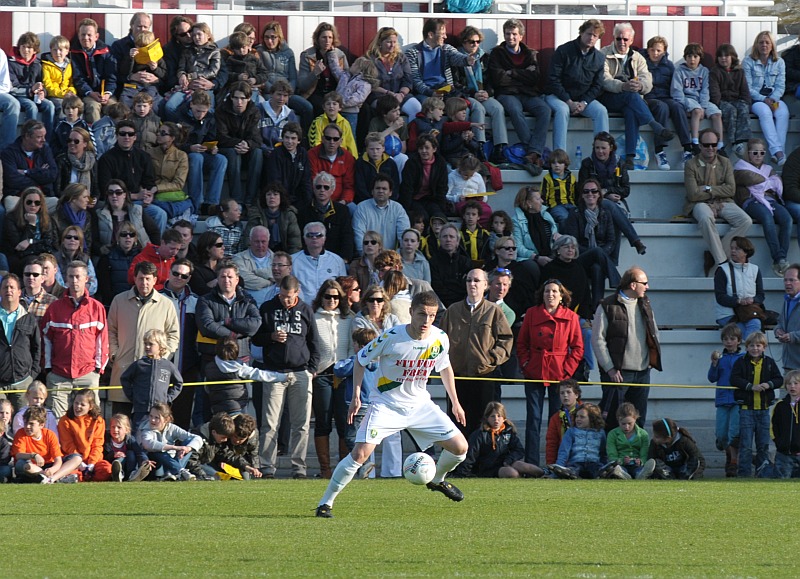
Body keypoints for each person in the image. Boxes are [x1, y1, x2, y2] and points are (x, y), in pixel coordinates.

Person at [316, 291, 469, 518]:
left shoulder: (439, 338)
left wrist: (455, 402)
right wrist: (357, 395)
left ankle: (437, 480)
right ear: (410, 313)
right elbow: (360, 360)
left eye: (432, 316)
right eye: (421, 314)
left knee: (460, 449)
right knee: (360, 454)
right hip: (386, 405)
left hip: (419, 406)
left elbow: (445, 367)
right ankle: (325, 503)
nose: (426, 321)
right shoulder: (391, 337)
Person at [253, 275, 319, 479]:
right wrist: (271, 337)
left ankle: (298, 467)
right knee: (270, 423)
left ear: (297, 293)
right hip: (274, 371)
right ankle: (267, 467)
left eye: (289, 297)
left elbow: (314, 341)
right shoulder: (267, 307)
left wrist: (312, 368)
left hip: (300, 371)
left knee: (301, 423)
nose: (285, 300)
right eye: (282, 296)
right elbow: (255, 338)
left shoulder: (306, 310)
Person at [517, 280, 584, 465]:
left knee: (558, 420)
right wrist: (526, 364)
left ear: (562, 295)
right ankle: (531, 463)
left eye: (555, 291)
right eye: (547, 291)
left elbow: (577, 348)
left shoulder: (571, 317)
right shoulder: (532, 313)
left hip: (559, 375)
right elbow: (522, 344)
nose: (551, 295)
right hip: (535, 371)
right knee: (533, 419)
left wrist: (566, 370)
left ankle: (556, 463)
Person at [441, 269, 512, 437]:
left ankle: (483, 463)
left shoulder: (494, 311)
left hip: (485, 376)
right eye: (469, 280)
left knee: (484, 426)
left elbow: (506, 340)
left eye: (477, 281)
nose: (472, 284)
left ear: (486, 285)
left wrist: (492, 359)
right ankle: (459, 461)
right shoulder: (453, 310)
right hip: (456, 378)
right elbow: (441, 339)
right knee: (457, 424)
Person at [592, 267, 662, 431]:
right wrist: (610, 369)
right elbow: (597, 339)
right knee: (613, 421)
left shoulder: (645, 303)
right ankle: (611, 456)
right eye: (644, 283)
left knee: (639, 421)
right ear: (632, 285)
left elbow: (654, 333)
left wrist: (651, 360)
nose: (647, 287)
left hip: (643, 372)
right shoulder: (607, 305)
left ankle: (637, 456)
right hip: (618, 374)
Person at [108, 261, 180, 416]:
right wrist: (114, 353)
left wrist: (162, 358)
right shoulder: (119, 301)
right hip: (123, 368)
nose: (144, 283)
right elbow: (110, 330)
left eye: (148, 279)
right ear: (134, 279)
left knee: (150, 428)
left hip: (152, 377)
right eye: (141, 278)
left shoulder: (167, 305)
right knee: (120, 423)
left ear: (155, 280)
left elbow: (173, 336)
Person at [599, 23, 674, 168]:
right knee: (631, 96)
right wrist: (622, 86)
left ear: (631, 40)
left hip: (630, 98)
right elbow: (604, 80)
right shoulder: (604, 54)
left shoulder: (637, 57)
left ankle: (630, 158)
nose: (622, 42)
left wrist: (640, 86)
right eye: (618, 39)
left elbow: (647, 79)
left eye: (625, 39)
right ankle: (656, 126)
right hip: (608, 97)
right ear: (613, 38)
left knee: (631, 110)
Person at [41, 260, 108, 418]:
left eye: (78, 276)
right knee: (57, 420)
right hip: (59, 373)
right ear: (65, 279)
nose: (74, 281)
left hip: (87, 373)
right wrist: (49, 368)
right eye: (71, 276)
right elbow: (46, 340)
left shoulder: (97, 308)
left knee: (90, 419)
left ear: (86, 279)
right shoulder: (54, 308)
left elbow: (102, 340)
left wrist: (98, 368)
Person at [684, 128, 752, 276]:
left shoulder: (725, 162)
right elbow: (693, 194)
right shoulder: (691, 164)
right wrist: (716, 193)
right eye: (706, 145)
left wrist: (708, 189)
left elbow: (731, 190)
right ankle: (722, 262)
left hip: (723, 202)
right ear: (700, 145)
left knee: (745, 220)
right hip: (698, 204)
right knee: (706, 217)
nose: (710, 148)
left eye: (714, 145)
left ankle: (713, 254)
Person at [487, 19, 550, 170]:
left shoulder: (530, 53)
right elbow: (498, 79)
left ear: (521, 36)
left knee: (545, 110)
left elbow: (535, 77)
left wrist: (511, 72)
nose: (510, 37)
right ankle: (534, 152)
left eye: (514, 34)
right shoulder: (497, 53)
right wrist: (523, 74)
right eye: (507, 34)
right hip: (506, 94)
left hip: (527, 93)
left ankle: (532, 152)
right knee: (515, 110)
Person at [577, 132, 647, 260]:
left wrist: (607, 191)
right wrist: (604, 195)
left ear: (611, 148)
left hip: (616, 205)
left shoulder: (620, 163)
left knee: (611, 213)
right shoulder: (587, 163)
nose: (600, 151)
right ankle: (635, 242)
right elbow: (582, 189)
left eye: (603, 148)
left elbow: (625, 190)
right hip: (591, 203)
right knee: (606, 204)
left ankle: (613, 260)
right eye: (597, 148)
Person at [311, 279, 354, 478]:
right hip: (322, 374)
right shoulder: (313, 317)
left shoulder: (349, 318)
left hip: (344, 374)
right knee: (323, 421)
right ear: (321, 297)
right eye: (328, 296)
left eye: (336, 297)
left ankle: (342, 468)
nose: (331, 300)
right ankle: (325, 469)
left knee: (345, 422)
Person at [545, 19, 609, 152]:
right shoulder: (564, 51)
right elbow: (553, 80)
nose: (591, 38)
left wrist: (584, 103)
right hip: (558, 97)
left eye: (595, 36)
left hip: (583, 101)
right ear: (581, 32)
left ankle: (602, 154)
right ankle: (559, 156)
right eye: (588, 33)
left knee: (601, 111)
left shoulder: (599, 58)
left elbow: (597, 85)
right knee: (563, 110)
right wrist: (568, 101)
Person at [733, 138, 792, 276]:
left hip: (770, 201)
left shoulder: (768, 168)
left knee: (787, 219)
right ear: (748, 153)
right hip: (750, 201)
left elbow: (778, 183)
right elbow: (749, 178)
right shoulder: (740, 167)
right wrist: (768, 181)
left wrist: (767, 182)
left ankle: (781, 257)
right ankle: (779, 259)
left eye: (762, 152)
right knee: (767, 218)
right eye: (755, 152)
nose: (758, 156)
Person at [97, 120, 166, 235]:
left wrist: (149, 196)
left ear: (135, 137)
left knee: (160, 214)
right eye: (122, 134)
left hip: (139, 202)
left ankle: (155, 250)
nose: (126, 137)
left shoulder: (143, 156)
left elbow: (149, 182)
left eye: (130, 134)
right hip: (116, 203)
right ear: (116, 136)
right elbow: (105, 188)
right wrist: (134, 196)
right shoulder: (107, 158)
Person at [453, 26, 509, 165]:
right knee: (479, 108)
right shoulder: (456, 58)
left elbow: (492, 80)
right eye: (471, 42)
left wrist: (487, 92)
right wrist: (473, 93)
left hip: (483, 93)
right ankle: (479, 146)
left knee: (497, 108)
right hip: (467, 94)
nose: (475, 45)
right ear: (464, 42)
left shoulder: (484, 58)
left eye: (477, 42)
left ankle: (499, 147)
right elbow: (455, 83)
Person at [731, 331, 782, 478]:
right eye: (752, 345)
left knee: (763, 445)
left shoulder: (770, 363)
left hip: (764, 410)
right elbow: (734, 379)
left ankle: (762, 473)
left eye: (758, 345)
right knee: (746, 445)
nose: (755, 348)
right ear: (746, 347)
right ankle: (744, 475)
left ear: (764, 347)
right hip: (746, 410)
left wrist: (769, 384)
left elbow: (779, 379)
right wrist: (749, 386)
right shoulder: (740, 362)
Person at [642, 35, 694, 170]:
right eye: (652, 50)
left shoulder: (669, 65)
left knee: (677, 106)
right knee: (662, 107)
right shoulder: (642, 63)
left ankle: (688, 148)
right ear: (648, 50)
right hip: (649, 98)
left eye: (658, 51)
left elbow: (675, 84)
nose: (655, 53)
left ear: (664, 51)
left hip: (666, 96)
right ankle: (659, 151)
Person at [454, 401, 543, 479]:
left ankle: (546, 473)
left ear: (504, 418)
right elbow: (471, 455)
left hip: (506, 462)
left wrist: (509, 459)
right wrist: (464, 472)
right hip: (489, 468)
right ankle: (520, 479)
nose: (496, 420)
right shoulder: (480, 434)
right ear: (487, 418)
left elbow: (519, 450)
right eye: (492, 416)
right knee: (512, 473)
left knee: (528, 467)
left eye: (499, 416)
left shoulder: (508, 432)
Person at [204, 337, 287, 417]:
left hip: (217, 408)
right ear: (236, 351)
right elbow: (260, 374)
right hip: (238, 407)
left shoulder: (209, 367)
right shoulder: (239, 368)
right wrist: (282, 377)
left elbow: (206, 387)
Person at [120, 329, 183, 433]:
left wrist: (167, 398)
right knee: (138, 436)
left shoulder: (168, 366)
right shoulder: (139, 364)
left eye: (151, 344)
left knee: (159, 435)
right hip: (141, 410)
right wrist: (133, 396)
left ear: (161, 346)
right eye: (145, 344)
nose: (147, 347)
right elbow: (125, 379)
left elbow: (178, 383)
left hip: (160, 411)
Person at [743, 31, 789, 166]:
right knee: (765, 112)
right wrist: (764, 99)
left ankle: (778, 153)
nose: (764, 45)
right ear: (756, 44)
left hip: (773, 99)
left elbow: (781, 85)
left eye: (767, 42)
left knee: (783, 112)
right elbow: (748, 88)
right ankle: (779, 152)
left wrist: (773, 98)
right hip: (756, 100)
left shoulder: (779, 62)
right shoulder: (748, 61)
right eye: (761, 42)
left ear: (772, 45)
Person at [256, 21, 313, 130]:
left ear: (279, 37)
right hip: (269, 93)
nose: (269, 41)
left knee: (307, 107)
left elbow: (293, 77)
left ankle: (303, 140)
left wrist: (286, 94)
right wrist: (274, 92)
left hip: (287, 93)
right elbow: (261, 75)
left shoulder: (288, 52)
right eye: (266, 37)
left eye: (273, 37)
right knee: (270, 107)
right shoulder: (260, 52)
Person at [177, 90, 225, 214]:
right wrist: (190, 147)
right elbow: (175, 142)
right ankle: (196, 202)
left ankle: (211, 203)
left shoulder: (210, 118)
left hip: (202, 151)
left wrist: (212, 148)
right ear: (191, 104)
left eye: (204, 111)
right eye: (198, 111)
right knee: (196, 158)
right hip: (185, 153)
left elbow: (211, 137)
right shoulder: (180, 115)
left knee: (221, 159)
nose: (201, 115)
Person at [216, 81, 263, 205]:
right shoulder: (221, 110)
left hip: (246, 149)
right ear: (231, 97)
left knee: (258, 153)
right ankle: (237, 200)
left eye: (243, 98)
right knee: (233, 153)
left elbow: (257, 140)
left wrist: (247, 144)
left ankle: (250, 200)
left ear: (248, 98)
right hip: (227, 148)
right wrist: (240, 143)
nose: (239, 102)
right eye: (236, 98)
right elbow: (221, 137)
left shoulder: (254, 112)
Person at [671, 43, 724, 153]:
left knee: (717, 114)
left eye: (695, 56)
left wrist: (704, 106)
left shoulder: (704, 71)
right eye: (689, 56)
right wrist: (686, 104)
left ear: (700, 58)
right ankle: (694, 142)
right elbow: (677, 92)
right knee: (697, 111)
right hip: (688, 98)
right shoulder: (679, 71)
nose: (692, 60)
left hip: (702, 100)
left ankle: (719, 145)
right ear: (685, 57)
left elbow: (705, 89)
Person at [708, 323, 744, 477]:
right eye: (726, 339)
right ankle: (729, 454)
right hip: (723, 399)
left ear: (739, 341)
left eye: (732, 339)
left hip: (737, 400)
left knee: (734, 433)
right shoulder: (720, 358)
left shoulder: (743, 358)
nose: (729, 342)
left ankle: (733, 462)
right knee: (721, 434)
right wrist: (714, 364)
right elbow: (711, 378)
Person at [11, 406, 82, 483]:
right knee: (21, 464)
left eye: (31, 424)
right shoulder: (20, 433)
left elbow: (58, 460)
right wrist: (33, 455)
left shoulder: (49, 434)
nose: (27, 426)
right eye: (25, 423)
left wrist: (52, 469)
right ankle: (56, 478)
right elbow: (18, 455)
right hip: (32, 467)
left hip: (49, 466)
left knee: (77, 458)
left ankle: (51, 479)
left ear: (41, 425)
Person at [0, 274, 40, 410]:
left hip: (22, 381)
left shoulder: (29, 319)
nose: (8, 290)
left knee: (22, 423)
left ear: (19, 292)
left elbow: (37, 348)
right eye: (5, 287)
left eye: (12, 287)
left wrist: (32, 375)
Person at [714, 237, 765, 340]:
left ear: (746, 252)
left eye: (737, 249)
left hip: (748, 313)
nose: (733, 251)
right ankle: (750, 354)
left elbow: (761, 296)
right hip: (727, 314)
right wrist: (738, 301)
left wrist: (752, 300)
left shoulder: (755, 269)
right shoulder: (722, 270)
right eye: (731, 248)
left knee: (755, 323)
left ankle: (748, 353)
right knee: (740, 332)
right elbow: (720, 297)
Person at [296, 171, 354, 261]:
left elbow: (347, 237)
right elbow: (300, 238)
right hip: (309, 258)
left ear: (332, 190)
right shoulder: (303, 211)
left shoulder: (342, 211)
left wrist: (344, 259)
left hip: (336, 258)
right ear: (313, 189)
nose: (322, 190)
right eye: (318, 187)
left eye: (326, 187)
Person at [138, 402, 203, 481]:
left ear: (166, 419)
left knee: (189, 441)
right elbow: (148, 444)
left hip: (173, 459)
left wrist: (187, 448)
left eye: (157, 417)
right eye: (151, 416)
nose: (152, 420)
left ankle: (172, 473)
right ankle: (180, 471)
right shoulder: (146, 428)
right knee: (158, 450)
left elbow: (197, 438)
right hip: (156, 463)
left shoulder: (172, 428)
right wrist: (175, 448)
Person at [57, 389, 112, 482]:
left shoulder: (98, 421)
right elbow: (68, 445)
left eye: (82, 404)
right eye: (76, 403)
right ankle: (79, 476)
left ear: (91, 407)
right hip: (74, 460)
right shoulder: (65, 421)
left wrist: (92, 463)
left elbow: (97, 445)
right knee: (72, 473)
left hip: (93, 461)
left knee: (107, 469)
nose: (78, 406)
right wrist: (80, 462)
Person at [709, 44, 753, 159]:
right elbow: (714, 92)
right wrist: (718, 102)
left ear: (732, 57)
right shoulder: (715, 72)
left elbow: (745, 91)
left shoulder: (739, 72)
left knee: (743, 108)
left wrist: (746, 102)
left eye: (727, 55)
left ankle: (741, 141)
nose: (723, 58)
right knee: (731, 110)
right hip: (722, 101)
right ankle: (733, 142)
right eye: (720, 56)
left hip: (737, 100)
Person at [365, 27, 419, 118]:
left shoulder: (401, 58)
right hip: (380, 96)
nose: (392, 45)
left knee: (416, 108)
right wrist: (390, 93)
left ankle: (407, 131)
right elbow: (370, 83)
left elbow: (408, 79)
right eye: (389, 42)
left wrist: (402, 94)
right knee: (390, 111)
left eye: (394, 42)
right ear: (380, 42)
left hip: (400, 95)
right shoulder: (370, 59)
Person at [94, 179, 157, 257]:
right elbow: (94, 240)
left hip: (139, 255)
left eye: (118, 193)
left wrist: (154, 253)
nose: (114, 195)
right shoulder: (99, 214)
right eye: (110, 193)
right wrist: (101, 249)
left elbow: (154, 232)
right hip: (112, 257)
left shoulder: (137, 210)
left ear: (125, 195)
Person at [70, 18, 117, 123]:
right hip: (87, 94)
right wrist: (90, 93)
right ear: (78, 35)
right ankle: (95, 137)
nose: (86, 38)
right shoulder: (73, 53)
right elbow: (78, 78)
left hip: (106, 93)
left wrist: (107, 93)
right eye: (83, 35)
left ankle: (117, 137)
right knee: (93, 106)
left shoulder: (106, 51)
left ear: (96, 36)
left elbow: (111, 76)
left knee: (115, 108)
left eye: (89, 35)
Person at [297, 22, 349, 117]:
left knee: (363, 109)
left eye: (330, 37)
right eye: (324, 37)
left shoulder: (340, 55)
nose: (327, 41)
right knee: (320, 107)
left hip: (336, 93)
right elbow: (302, 85)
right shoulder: (307, 55)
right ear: (317, 39)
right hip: (315, 92)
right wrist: (315, 73)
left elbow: (347, 80)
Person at [3, 186, 58, 274]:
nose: (33, 205)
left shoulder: (46, 219)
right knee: (35, 262)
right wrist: (31, 224)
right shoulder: (11, 218)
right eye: (29, 202)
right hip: (19, 257)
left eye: (37, 203)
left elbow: (48, 242)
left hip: (41, 254)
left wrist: (30, 241)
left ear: (41, 205)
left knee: (50, 262)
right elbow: (19, 246)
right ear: (23, 203)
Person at [1, 119, 57, 202]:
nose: (44, 140)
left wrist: (26, 172)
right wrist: (40, 174)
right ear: (27, 136)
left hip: (43, 196)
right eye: (39, 137)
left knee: (57, 204)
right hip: (17, 197)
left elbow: (53, 174)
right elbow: (12, 180)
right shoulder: (9, 153)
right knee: (11, 204)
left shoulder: (45, 149)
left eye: (44, 136)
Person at [291, 221, 348, 302]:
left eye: (318, 235)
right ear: (304, 238)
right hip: (302, 309)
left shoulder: (337, 261)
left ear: (324, 238)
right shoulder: (293, 260)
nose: (314, 238)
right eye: (310, 235)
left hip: (329, 309)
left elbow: (343, 288)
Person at [353, 174, 409, 254]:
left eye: (384, 189)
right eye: (377, 188)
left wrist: (396, 256)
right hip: (368, 256)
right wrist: (367, 256)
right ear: (372, 191)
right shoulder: (362, 207)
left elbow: (404, 235)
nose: (381, 191)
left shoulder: (398, 208)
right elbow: (359, 236)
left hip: (390, 258)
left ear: (390, 192)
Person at [549, 403, 607, 479]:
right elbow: (564, 452)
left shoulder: (600, 433)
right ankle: (569, 474)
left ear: (592, 418)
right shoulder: (571, 432)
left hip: (593, 463)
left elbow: (603, 453)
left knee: (598, 469)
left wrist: (605, 464)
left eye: (582, 417)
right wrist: (558, 467)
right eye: (577, 416)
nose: (578, 419)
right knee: (573, 469)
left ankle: (604, 474)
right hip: (576, 463)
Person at [263, 122, 312, 208]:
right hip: (281, 201)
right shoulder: (276, 154)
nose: (289, 141)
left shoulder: (303, 154)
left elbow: (306, 181)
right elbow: (275, 181)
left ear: (299, 140)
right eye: (287, 138)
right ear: (282, 138)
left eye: (293, 138)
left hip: (299, 200)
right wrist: (285, 202)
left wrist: (308, 202)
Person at [307, 124, 356, 209]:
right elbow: (312, 181)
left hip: (341, 201)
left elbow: (349, 186)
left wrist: (343, 201)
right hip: (317, 200)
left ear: (341, 141)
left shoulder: (348, 157)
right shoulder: (312, 154)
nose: (332, 142)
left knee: (353, 209)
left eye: (335, 139)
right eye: (328, 138)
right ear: (322, 139)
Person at [245, 182, 302, 256]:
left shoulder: (289, 215)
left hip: (284, 254)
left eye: (275, 194)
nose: (272, 197)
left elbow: (295, 241)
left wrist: (291, 259)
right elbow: (248, 237)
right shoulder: (257, 214)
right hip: (261, 254)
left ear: (281, 197)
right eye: (268, 194)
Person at [429, 223, 471, 308]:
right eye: (445, 236)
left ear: (457, 241)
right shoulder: (432, 262)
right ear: (440, 240)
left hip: (463, 306)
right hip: (440, 306)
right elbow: (437, 288)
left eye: (451, 237)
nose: (448, 239)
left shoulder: (465, 261)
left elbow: (467, 287)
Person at [606, 402, 651, 480]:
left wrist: (641, 461)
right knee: (618, 469)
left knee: (639, 470)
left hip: (637, 465)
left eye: (630, 423)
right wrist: (621, 461)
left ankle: (640, 474)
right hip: (620, 465)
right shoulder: (612, 434)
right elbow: (612, 455)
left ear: (635, 419)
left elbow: (644, 453)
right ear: (618, 420)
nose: (626, 427)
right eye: (623, 424)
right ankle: (622, 474)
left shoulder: (643, 434)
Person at [54, 127, 99, 202]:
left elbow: (95, 186)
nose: (72, 143)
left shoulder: (92, 161)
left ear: (85, 144)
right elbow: (57, 189)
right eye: (69, 140)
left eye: (76, 141)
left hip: (87, 201)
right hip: (67, 200)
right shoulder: (61, 160)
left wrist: (94, 199)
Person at [544, 379, 583, 466]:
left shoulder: (587, 413)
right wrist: (550, 464)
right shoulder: (555, 418)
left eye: (568, 392)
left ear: (576, 394)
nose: (565, 396)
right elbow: (551, 443)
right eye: (562, 393)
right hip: (564, 458)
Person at [104, 413, 151, 482]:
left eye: (119, 427)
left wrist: (145, 460)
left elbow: (139, 452)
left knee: (131, 453)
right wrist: (113, 454)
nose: (115, 430)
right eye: (113, 427)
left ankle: (132, 475)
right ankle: (117, 474)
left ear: (126, 430)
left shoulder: (130, 439)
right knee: (119, 460)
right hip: (112, 464)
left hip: (128, 466)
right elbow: (103, 455)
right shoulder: (106, 439)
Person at [771, 369, 800, 478]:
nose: (792, 386)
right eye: (789, 384)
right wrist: (779, 443)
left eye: (796, 383)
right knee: (782, 481)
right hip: (784, 454)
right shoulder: (780, 406)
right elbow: (773, 427)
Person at [776, 264, 800, 372]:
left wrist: (792, 336)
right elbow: (779, 322)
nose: (787, 283)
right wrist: (777, 330)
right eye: (785, 280)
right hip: (788, 365)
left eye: (792, 280)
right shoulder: (787, 301)